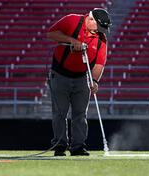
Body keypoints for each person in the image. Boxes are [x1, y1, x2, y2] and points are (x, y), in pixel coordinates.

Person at [47, 8, 111, 156]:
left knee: (80, 114)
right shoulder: (71, 20)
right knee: (59, 113)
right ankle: (59, 145)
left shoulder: (101, 38)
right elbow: (51, 33)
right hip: (60, 74)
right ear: (90, 20)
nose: (99, 32)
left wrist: (94, 80)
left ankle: (78, 147)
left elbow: (99, 63)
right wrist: (72, 40)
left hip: (82, 77)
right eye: (98, 28)